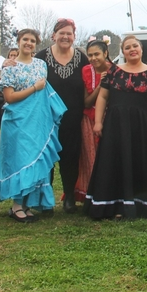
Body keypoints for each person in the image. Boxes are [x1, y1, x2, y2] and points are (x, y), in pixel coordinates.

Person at [84, 35, 147, 219]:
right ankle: (113, 204)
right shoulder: (114, 71)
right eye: (127, 47)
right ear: (122, 52)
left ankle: (141, 204)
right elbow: (102, 97)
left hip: (141, 126)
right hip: (115, 125)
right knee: (113, 160)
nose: (132, 49)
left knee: (140, 161)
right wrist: (99, 122)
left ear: (141, 49)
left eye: (135, 46)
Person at [0, 29, 66, 222]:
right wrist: (34, 88)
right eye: (25, 40)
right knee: (18, 161)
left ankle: (27, 204)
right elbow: (9, 97)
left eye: (32, 40)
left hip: (37, 122)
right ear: (19, 41)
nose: (28, 43)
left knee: (35, 160)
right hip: (17, 122)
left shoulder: (41, 65)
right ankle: (16, 206)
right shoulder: (11, 67)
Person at [35, 18, 90, 213]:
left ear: (74, 36)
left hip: (73, 118)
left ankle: (69, 199)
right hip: (46, 119)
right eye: (62, 33)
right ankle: (46, 200)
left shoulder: (82, 58)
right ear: (54, 35)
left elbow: (91, 80)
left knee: (70, 158)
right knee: (47, 160)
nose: (65, 37)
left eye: (69, 33)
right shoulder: (40, 57)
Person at [77, 38, 113, 202]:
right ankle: (91, 194)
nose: (93, 58)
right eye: (90, 55)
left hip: (110, 118)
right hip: (88, 119)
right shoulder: (86, 70)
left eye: (97, 54)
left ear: (105, 53)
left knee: (108, 155)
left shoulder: (116, 70)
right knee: (90, 157)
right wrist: (101, 85)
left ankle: (109, 192)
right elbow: (86, 102)